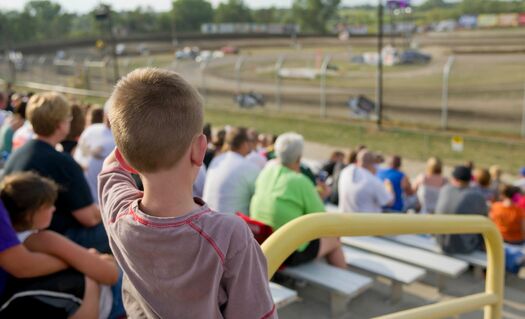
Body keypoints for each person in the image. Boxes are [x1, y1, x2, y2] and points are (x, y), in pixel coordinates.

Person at [99, 68, 275, 318]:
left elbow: (111, 169)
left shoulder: (117, 214)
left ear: (126, 160)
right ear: (200, 150)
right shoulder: (230, 235)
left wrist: (132, 140)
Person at [0, 171, 120, 318]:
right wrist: (90, 259)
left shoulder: (15, 244)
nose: (54, 209)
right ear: (33, 211)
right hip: (111, 303)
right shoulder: (43, 239)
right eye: (49, 204)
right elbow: (110, 275)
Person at [2, 92, 109, 253]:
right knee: (118, 229)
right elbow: (90, 219)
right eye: (68, 119)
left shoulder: (20, 152)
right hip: (51, 238)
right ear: (60, 124)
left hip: (19, 236)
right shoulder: (61, 162)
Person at [250, 132, 346, 268]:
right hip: (287, 252)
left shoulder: (266, 172)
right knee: (334, 238)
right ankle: (344, 283)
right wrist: (322, 197)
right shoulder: (300, 181)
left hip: (261, 242)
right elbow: (324, 221)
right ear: (299, 158)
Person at [203, 127, 261, 215]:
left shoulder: (217, 160)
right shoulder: (249, 167)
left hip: (207, 218)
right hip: (231, 224)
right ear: (245, 144)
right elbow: (260, 197)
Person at [435, 166, 488, 254]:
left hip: (440, 242)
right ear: (470, 180)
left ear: (454, 178)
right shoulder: (477, 196)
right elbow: (484, 222)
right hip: (463, 247)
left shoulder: (445, 189)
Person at [74, 102, 115, 204]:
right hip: (87, 198)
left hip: (102, 200)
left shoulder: (121, 139)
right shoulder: (92, 130)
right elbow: (80, 155)